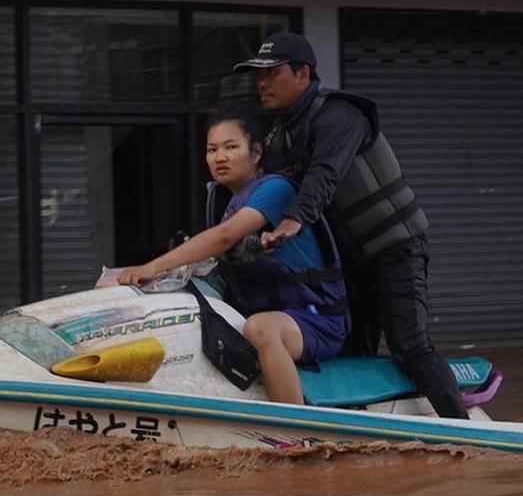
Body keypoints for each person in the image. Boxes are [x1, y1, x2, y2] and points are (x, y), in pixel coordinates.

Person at [233, 32, 470, 419]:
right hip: (349, 264)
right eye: (258, 76)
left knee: (408, 345)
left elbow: (324, 174)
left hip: (394, 250)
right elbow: (263, 193)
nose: (261, 83)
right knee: (348, 350)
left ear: (303, 74)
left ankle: (467, 433)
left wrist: (294, 220)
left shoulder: (340, 115)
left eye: (272, 74)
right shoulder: (279, 135)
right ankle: (360, 430)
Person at [110, 110, 349, 404]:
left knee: (260, 328)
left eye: (231, 147)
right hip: (274, 314)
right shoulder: (225, 201)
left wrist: (152, 266)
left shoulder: (275, 189)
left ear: (256, 152)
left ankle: (296, 436)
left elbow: (225, 237)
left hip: (316, 320)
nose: (219, 157)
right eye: (212, 150)